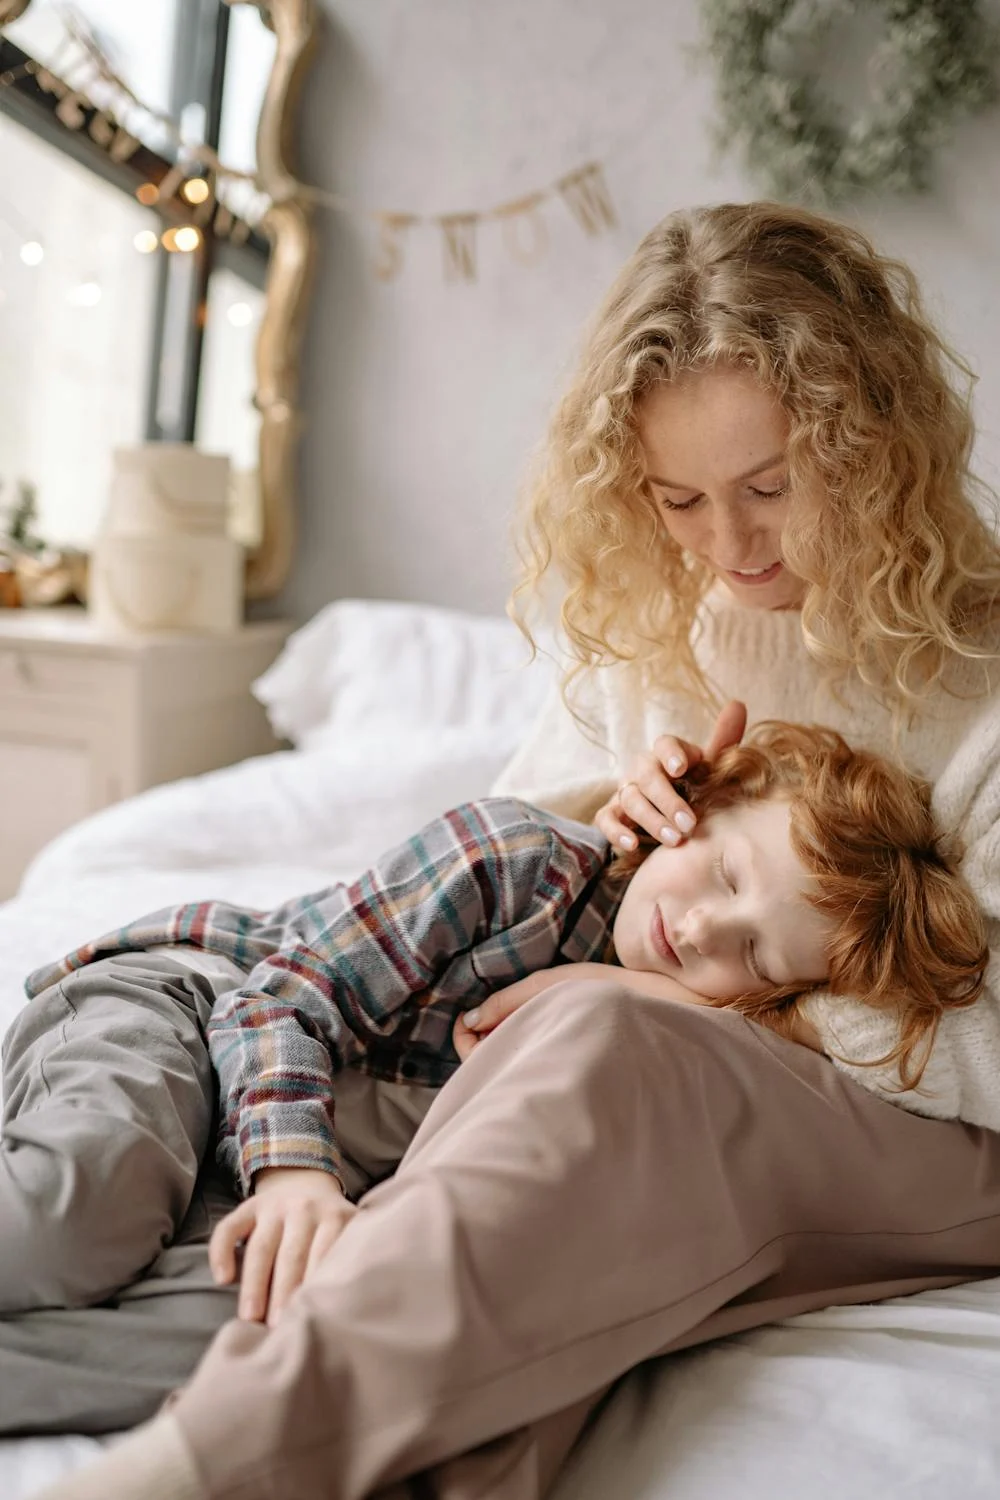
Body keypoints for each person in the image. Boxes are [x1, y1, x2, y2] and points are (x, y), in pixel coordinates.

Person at [31, 200, 1000, 1500]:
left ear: (870, 443)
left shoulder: (980, 673)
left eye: (773, 486)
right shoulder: (650, 632)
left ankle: (214, 1459)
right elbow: (495, 916)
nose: (731, 546)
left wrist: (672, 997)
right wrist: (610, 817)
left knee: (603, 1053)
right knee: (502, 1189)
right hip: (595, 1074)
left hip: (927, 1125)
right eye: (680, 500)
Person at [6, 721, 982, 1335]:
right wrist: (295, 1173)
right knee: (75, 1222)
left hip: (277, 1142)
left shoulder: (682, 1044)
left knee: (261, 1324)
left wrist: (652, 1001)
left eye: (756, 957)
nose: (695, 932)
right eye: (725, 879)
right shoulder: (517, 863)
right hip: (195, 1003)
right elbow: (278, 998)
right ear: (697, 808)